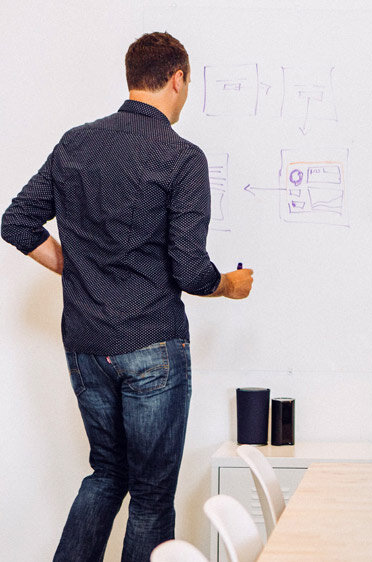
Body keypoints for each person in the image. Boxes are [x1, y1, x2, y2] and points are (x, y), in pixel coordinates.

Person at [1, 32, 253, 561]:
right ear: (178, 77)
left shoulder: (76, 143)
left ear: (133, 76)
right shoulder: (181, 158)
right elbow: (189, 270)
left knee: (106, 474)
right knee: (152, 497)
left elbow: (17, 221)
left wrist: (78, 268)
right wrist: (230, 286)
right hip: (151, 345)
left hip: (87, 345)